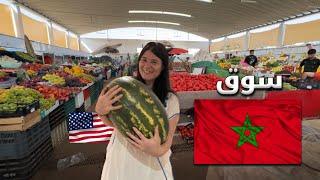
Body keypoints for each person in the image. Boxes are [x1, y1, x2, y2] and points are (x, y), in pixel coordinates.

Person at [95, 42, 180, 180]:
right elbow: (113, 123)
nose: (147, 66)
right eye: (144, 60)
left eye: (154, 62)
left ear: (163, 66)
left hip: (152, 162)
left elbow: (168, 137)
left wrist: (156, 150)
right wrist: (100, 111)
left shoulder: (170, 99)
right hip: (121, 154)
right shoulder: (121, 86)